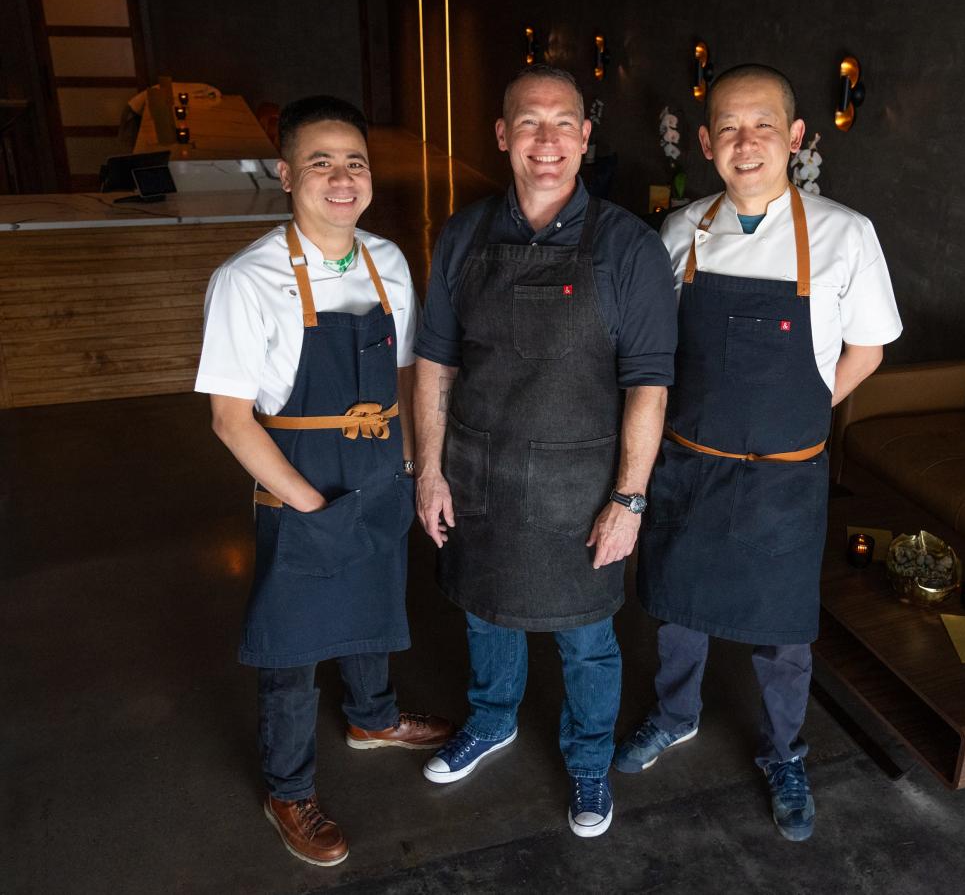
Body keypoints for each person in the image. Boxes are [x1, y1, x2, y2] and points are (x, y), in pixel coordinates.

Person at [616, 65, 902, 842]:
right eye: (730, 129)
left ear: (795, 138)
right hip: (690, 461)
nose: (747, 144)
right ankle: (675, 712)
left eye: (764, 126)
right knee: (677, 607)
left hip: (785, 473)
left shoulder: (845, 233)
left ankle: (783, 752)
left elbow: (868, 349)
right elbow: (653, 354)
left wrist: (802, 412)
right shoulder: (679, 231)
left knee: (783, 632)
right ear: (706, 143)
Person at [413, 64, 676, 838]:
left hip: (579, 480)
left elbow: (648, 388)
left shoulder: (629, 248)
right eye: (528, 122)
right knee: (486, 612)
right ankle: (491, 718)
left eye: (564, 122)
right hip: (479, 467)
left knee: (586, 637)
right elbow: (435, 362)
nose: (547, 140)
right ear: (502, 135)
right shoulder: (462, 235)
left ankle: (589, 761)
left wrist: (628, 499)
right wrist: (427, 469)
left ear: (586, 136)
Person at [196, 95, 453, 867]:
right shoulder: (247, 279)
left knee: (375, 597)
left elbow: (407, 374)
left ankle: (372, 716)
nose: (342, 178)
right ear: (285, 174)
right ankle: (287, 786)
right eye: (320, 161)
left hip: (377, 465)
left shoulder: (389, 260)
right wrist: (310, 507)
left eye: (355, 162)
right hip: (299, 476)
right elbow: (230, 419)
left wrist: (407, 465)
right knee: (292, 642)